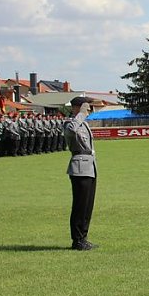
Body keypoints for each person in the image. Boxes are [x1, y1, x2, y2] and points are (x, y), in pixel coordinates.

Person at [65, 97, 98, 251]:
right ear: (77, 108)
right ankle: (77, 240)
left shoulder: (84, 124)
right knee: (79, 205)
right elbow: (71, 131)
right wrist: (81, 114)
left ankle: (83, 238)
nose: (89, 109)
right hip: (79, 168)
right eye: (86, 106)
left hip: (90, 167)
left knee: (87, 206)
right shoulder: (71, 123)